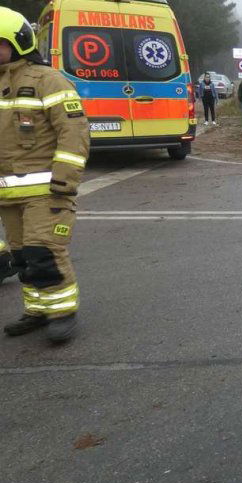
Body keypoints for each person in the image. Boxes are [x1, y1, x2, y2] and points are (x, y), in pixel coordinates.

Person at [0, 7, 90, 342]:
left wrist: (65, 180)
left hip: (46, 192)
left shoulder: (46, 79)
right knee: (23, 257)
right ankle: (37, 309)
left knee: (44, 253)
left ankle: (62, 311)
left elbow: (74, 131)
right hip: (8, 196)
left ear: (18, 42)